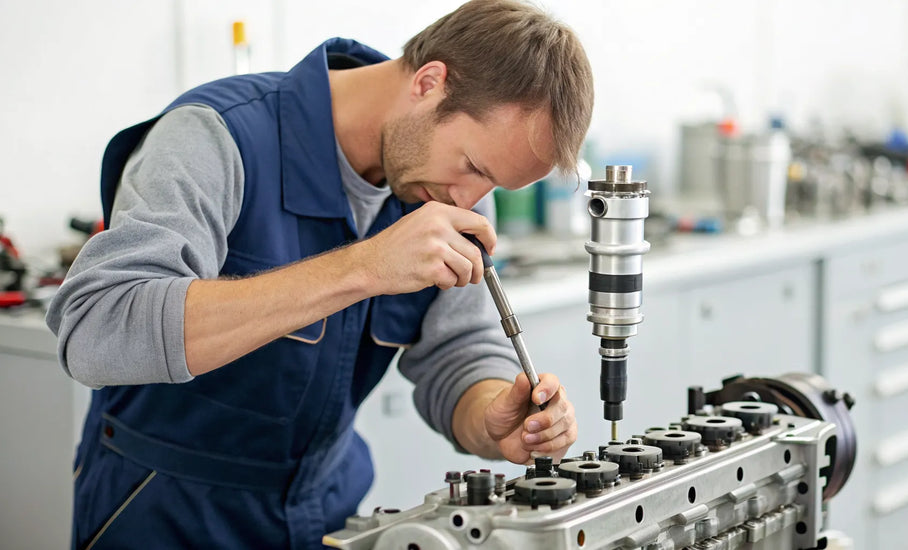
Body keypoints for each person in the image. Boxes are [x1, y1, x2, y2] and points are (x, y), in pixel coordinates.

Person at [45, 0, 594, 547]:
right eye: (474, 167)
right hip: (166, 512)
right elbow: (98, 329)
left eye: (493, 184)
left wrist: (494, 417)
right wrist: (365, 266)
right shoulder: (214, 136)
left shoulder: (450, 188)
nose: (472, 199)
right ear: (429, 83)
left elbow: (458, 350)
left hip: (326, 514)